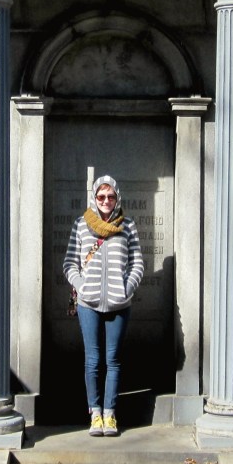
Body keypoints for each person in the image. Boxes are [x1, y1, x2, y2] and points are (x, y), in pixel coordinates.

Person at [63, 174, 144, 437]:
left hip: (119, 305)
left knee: (114, 360)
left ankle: (110, 414)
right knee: (93, 360)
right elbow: (69, 263)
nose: (106, 201)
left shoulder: (127, 225)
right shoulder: (81, 225)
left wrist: (126, 288)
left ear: (117, 197)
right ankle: (94, 413)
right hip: (89, 304)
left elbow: (137, 264)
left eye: (110, 196)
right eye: (101, 196)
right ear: (94, 198)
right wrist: (82, 286)